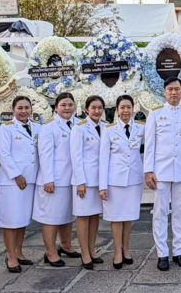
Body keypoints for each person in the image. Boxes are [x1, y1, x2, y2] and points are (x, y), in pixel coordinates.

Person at [144, 77, 181, 271]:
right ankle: (162, 253)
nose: (174, 92)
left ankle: (179, 251)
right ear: (165, 92)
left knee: (180, 212)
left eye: (177, 89)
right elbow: (149, 145)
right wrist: (148, 170)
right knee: (159, 212)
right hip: (161, 171)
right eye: (170, 89)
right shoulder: (156, 114)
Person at [98, 95, 144, 268]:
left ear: (133, 109)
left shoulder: (140, 128)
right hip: (115, 182)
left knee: (128, 218)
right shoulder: (109, 130)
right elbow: (103, 159)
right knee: (116, 218)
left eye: (129, 107)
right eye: (122, 107)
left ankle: (126, 249)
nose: (126, 111)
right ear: (117, 110)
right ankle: (117, 251)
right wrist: (103, 186)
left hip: (133, 181)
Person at [0, 95, 39, 273]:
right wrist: (16, 175)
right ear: (13, 110)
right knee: (10, 220)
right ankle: (10, 256)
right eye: (20, 108)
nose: (23, 111)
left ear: (31, 109)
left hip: (31, 180)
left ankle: (19, 252)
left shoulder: (38, 127)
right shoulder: (6, 129)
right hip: (12, 182)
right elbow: (3, 154)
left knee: (22, 219)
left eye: (26, 108)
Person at [34, 93, 78, 267]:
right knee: (51, 217)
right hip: (54, 179)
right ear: (56, 108)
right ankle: (50, 252)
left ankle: (66, 245)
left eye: (70, 104)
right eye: (63, 105)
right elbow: (45, 156)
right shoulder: (49, 128)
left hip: (71, 179)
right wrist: (48, 179)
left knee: (67, 215)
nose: (67, 108)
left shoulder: (79, 124)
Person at [71, 95, 106, 269]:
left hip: (99, 180)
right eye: (93, 108)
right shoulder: (79, 128)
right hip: (84, 180)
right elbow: (76, 156)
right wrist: (80, 181)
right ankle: (84, 253)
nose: (97, 111)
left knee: (94, 216)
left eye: (100, 108)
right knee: (83, 216)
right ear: (86, 110)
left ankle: (92, 250)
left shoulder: (107, 127)